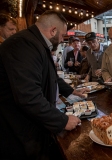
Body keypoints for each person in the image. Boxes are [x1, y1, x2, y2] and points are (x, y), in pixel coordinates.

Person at [0, 10, 89, 159]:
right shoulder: (23, 44)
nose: (62, 40)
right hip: (18, 132)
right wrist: (62, 120)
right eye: (62, 35)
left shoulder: (34, 41)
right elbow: (28, 96)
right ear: (53, 30)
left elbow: (49, 75)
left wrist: (71, 91)